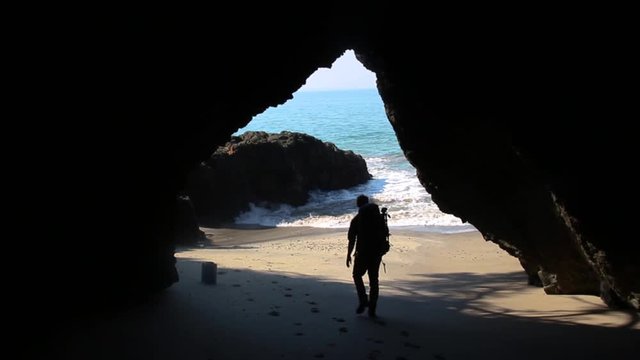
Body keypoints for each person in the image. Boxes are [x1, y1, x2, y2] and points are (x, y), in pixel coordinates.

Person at [346, 194, 389, 318]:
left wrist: (348, 255)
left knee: (357, 275)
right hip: (377, 253)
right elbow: (386, 232)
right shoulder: (378, 217)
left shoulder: (356, 219)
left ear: (358, 205)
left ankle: (363, 300)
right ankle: (372, 310)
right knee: (374, 281)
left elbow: (352, 240)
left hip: (363, 253)